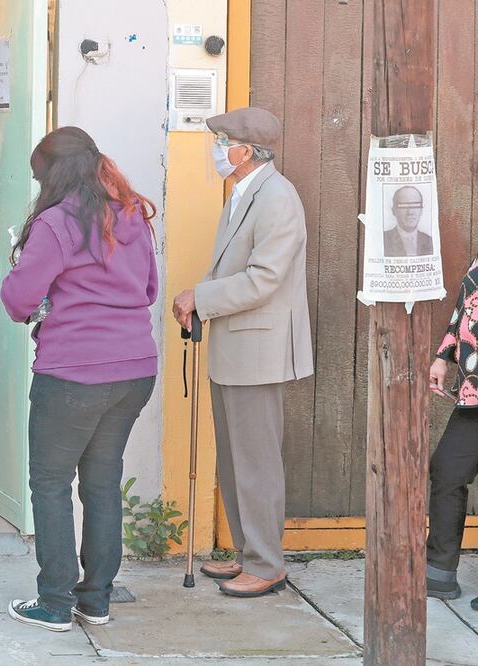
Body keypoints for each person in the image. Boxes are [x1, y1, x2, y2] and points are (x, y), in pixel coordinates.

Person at [0, 127, 159, 632]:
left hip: (72, 373)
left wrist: (19, 271)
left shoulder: (55, 222)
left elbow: (18, 300)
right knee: (102, 482)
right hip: (135, 369)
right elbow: (150, 290)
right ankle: (96, 599)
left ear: (52, 173)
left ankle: (53, 601)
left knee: (49, 483)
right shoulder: (132, 213)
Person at [172, 107, 313, 598]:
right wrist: (199, 299)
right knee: (235, 460)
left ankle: (267, 562)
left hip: (259, 350)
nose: (216, 150)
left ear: (246, 151)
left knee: (256, 461)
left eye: (222, 142)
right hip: (236, 349)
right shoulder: (242, 194)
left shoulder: (277, 198)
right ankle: (249, 553)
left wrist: (201, 299)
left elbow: (264, 278)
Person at [427, 257, 478, 612]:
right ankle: (439, 571)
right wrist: (443, 356)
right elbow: (466, 303)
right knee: (447, 469)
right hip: (474, 390)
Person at [383, 185, 433, 257]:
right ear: (394, 211)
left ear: (421, 210)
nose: (410, 212)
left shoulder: (429, 241)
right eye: (403, 206)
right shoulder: (383, 240)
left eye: (415, 205)